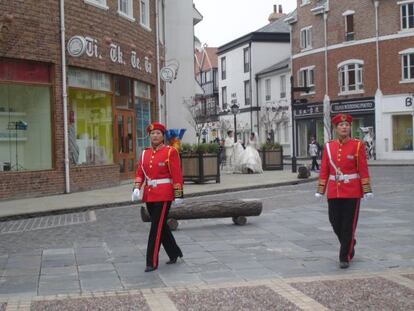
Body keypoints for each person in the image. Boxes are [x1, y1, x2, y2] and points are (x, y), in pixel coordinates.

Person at [315, 114, 373, 269]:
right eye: (341, 125)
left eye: (347, 125)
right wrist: (321, 189)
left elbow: (363, 168)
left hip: (352, 191)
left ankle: (344, 256)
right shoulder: (329, 146)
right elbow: (324, 169)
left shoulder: (358, 145)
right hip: (334, 190)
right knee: (334, 221)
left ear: (350, 127)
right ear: (336, 128)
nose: (344, 127)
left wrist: (366, 189)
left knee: (348, 225)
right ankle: (350, 243)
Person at [132, 122, 183, 272]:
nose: (155, 136)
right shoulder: (144, 153)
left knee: (155, 228)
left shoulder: (170, 152)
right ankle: (174, 252)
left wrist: (178, 193)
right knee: (161, 226)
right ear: (149, 136)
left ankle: (151, 261)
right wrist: (136, 188)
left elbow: (176, 174)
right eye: (152, 133)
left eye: (158, 133)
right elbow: (140, 172)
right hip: (149, 194)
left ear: (163, 136)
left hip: (164, 194)